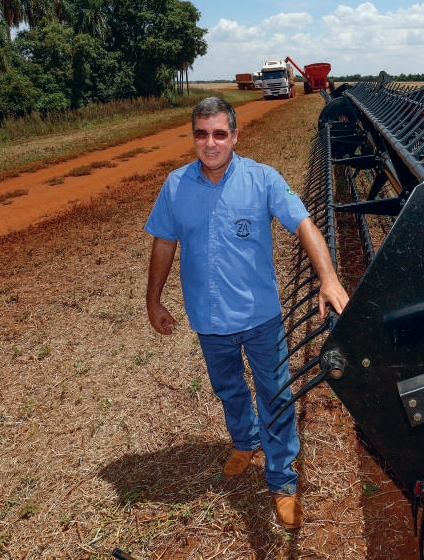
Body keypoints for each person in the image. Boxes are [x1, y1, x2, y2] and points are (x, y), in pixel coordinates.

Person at [144, 96, 349, 529]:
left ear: (235, 136)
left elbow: (304, 224)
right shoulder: (175, 186)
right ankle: (244, 440)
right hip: (209, 319)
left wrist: (328, 279)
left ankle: (281, 481)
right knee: (229, 389)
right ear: (194, 137)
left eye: (220, 133)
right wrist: (153, 298)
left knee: (274, 395)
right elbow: (164, 241)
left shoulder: (263, 180)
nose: (211, 143)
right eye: (202, 134)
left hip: (260, 319)